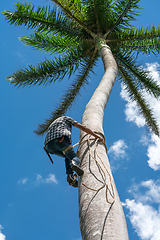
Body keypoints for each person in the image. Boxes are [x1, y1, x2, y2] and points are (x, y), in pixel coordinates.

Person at [44, 116, 103, 187]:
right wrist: (96, 136)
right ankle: (74, 163)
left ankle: (70, 176)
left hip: (49, 147)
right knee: (74, 157)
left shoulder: (52, 125)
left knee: (67, 157)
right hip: (60, 139)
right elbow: (83, 128)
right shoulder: (65, 118)